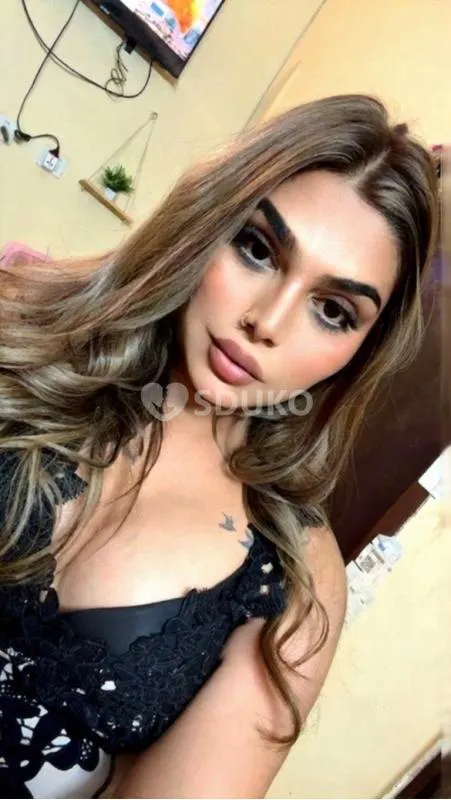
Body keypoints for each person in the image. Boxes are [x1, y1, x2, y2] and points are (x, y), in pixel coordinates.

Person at [0, 93, 439, 798]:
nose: (267, 321)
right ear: (208, 222)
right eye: (258, 249)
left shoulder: (294, 581)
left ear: (362, 351)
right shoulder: (19, 322)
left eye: (332, 310)